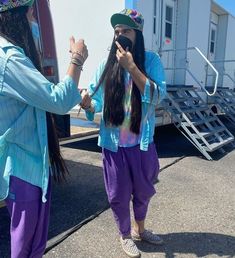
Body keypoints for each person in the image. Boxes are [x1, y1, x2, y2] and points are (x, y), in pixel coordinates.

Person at [0, 0, 88, 257]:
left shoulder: (13, 54)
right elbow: (56, 100)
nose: (34, 21)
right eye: (30, 14)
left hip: (33, 165)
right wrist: (77, 59)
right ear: (15, 16)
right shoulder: (9, 58)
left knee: (34, 242)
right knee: (25, 245)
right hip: (22, 168)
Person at [81, 8, 166, 258]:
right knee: (118, 194)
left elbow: (158, 96)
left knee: (143, 191)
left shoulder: (151, 61)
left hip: (141, 143)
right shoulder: (107, 65)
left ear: (137, 34)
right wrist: (88, 104)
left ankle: (140, 229)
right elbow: (96, 102)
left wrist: (132, 68)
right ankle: (125, 235)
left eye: (126, 30)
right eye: (117, 31)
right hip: (113, 145)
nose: (120, 35)